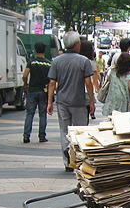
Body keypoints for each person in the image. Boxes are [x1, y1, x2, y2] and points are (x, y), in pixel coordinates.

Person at [47, 31, 94, 171]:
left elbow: (51, 83)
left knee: (64, 130)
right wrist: (92, 101)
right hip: (79, 101)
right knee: (80, 131)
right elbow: (88, 83)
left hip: (62, 101)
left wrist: (50, 102)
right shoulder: (83, 61)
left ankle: (67, 160)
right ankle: (79, 160)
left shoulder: (57, 61)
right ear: (77, 44)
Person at [22, 41, 52, 143]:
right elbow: (51, 79)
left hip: (32, 90)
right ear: (45, 50)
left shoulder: (32, 62)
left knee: (29, 114)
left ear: (35, 50)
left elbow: (25, 75)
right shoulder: (48, 63)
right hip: (43, 91)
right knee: (42, 115)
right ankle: (42, 136)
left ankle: (26, 136)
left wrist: (26, 84)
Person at [101, 49, 130, 117]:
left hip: (112, 97)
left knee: (111, 117)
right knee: (122, 118)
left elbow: (107, 79)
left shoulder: (112, 71)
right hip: (124, 99)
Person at [79, 40, 100, 119]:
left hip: (76, 91)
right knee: (86, 113)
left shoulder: (77, 60)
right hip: (87, 91)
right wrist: (97, 89)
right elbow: (94, 79)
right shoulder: (91, 62)